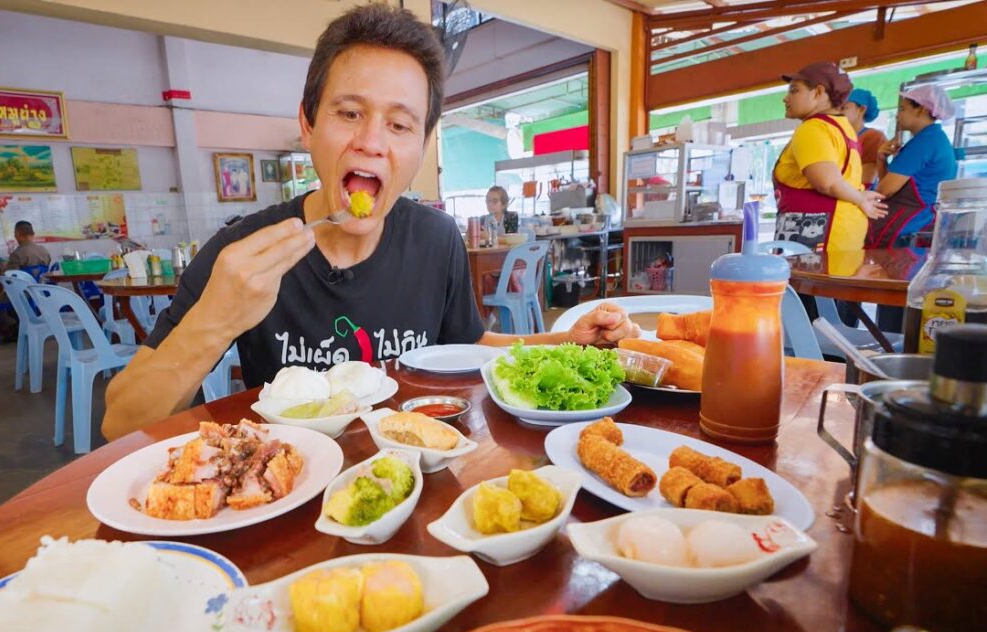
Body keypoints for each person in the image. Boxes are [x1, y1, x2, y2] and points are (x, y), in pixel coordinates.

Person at [102, 5, 639, 439]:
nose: (373, 142)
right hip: (295, 488)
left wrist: (569, 342)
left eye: (400, 124)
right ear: (307, 124)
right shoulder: (243, 252)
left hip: (419, 466)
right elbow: (121, 422)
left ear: (422, 145)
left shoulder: (434, 238)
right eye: (349, 113)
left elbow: (470, 346)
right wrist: (215, 319)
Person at [771, 62, 887, 252]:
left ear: (817, 92)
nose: (786, 98)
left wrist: (859, 199)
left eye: (794, 90)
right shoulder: (843, 129)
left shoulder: (813, 128)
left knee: (805, 282)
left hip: (817, 232)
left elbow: (827, 182)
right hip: (842, 231)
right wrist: (858, 196)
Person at [872, 84, 958, 248]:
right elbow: (888, 187)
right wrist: (881, 158)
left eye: (903, 109)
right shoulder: (934, 139)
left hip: (907, 224)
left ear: (922, 110)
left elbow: (884, 190)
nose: (898, 115)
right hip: (917, 221)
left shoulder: (925, 143)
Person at [841, 88, 888, 187]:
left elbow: (866, 181)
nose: (839, 113)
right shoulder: (839, 135)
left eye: (844, 108)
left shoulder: (874, 137)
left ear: (862, 109)